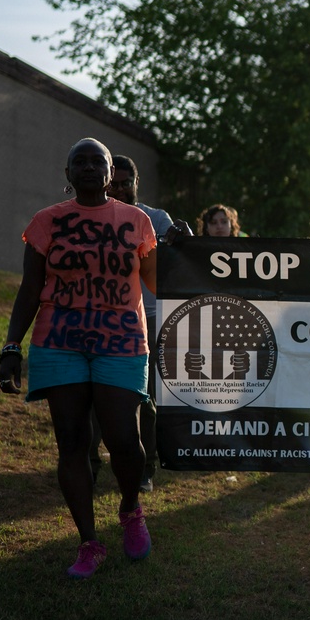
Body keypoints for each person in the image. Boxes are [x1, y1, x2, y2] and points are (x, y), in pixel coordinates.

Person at [0, 138, 158, 578]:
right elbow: (30, 288)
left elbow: (157, 282)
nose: (88, 167)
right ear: (67, 174)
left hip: (122, 342)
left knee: (124, 439)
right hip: (59, 342)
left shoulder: (137, 221)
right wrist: (11, 346)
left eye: (97, 161)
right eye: (79, 162)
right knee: (72, 442)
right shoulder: (46, 222)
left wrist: (180, 251)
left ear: (110, 173)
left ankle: (130, 509)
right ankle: (89, 542)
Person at [90, 155, 172, 493]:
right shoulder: (93, 217)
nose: (121, 190)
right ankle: (89, 464)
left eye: (127, 183)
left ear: (137, 183)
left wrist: (181, 238)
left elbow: (176, 257)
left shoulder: (156, 219)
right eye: (115, 184)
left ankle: (144, 470)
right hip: (102, 316)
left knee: (145, 398)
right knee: (95, 396)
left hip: (148, 318)